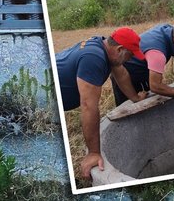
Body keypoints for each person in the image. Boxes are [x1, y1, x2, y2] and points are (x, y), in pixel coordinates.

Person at [56, 27, 146, 179]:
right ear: (119, 49)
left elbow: (121, 73)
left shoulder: (103, 46)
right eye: (130, 55)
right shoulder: (94, 59)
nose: (130, 59)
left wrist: (135, 98)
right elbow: (88, 107)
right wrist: (93, 153)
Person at [111, 21, 174, 105]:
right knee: (130, 112)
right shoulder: (157, 54)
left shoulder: (170, 30)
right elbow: (155, 86)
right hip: (125, 75)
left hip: (143, 70)